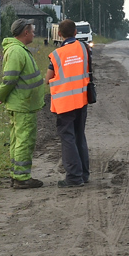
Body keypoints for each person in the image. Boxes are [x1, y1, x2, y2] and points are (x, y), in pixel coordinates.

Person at [0, 19, 46, 189]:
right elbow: (10, 78)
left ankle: (17, 174)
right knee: (24, 140)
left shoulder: (19, 50)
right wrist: (1, 95)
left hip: (22, 103)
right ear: (25, 32)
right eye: (32, 31)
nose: (34, 33)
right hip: (22, 105)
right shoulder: (17, 51)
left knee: (18, 139)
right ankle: (22, 177)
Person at [46, 19, 91, 188]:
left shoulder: (57, 54)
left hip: (65, 102)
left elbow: (48, 78)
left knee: (68, 138)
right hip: (82, 98)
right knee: (80, 136)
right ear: (76, 33)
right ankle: (84, 174)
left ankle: (73, 177)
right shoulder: (85, 49)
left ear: (59, 34)